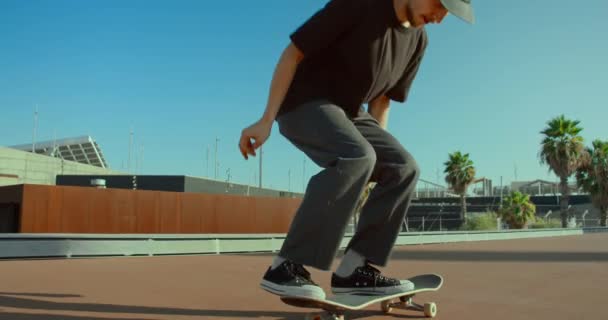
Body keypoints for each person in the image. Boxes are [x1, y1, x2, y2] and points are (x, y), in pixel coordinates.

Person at [238, 0, 474, 299]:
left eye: (447, 14)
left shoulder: (418, 40)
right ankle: (285, 267)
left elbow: (382, 102)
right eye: (440, 5)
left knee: (404, 167)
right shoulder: (359, 5)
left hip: (351, 113)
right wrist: (266, 119)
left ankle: (354, 270)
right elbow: (293, 53)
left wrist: (378, 167)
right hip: (303, 102)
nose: (440, 17)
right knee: (358, 155)